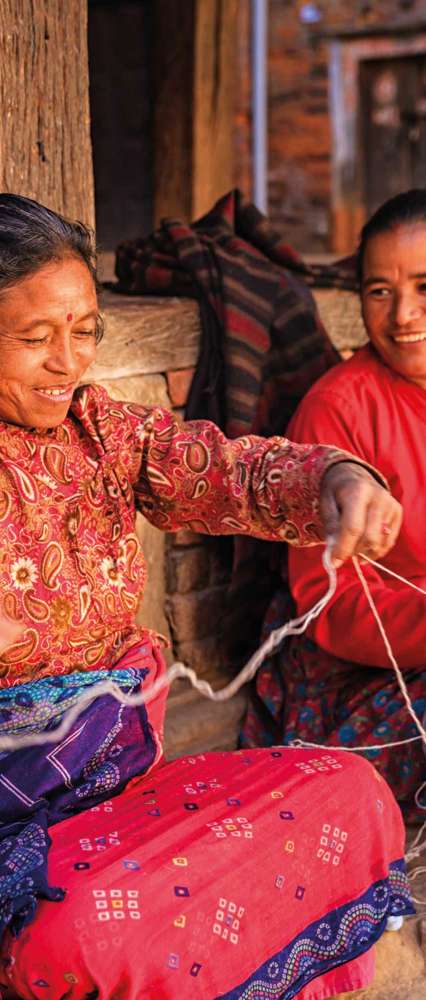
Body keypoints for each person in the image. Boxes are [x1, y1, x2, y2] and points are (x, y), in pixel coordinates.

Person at [0, 195, 412, 1000]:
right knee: (80, 930)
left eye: (84, 331)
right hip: (24, 846)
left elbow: (224, 469)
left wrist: (334, 477)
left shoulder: (97, 431)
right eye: (32, 338)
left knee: (349, 792)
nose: (68, 362)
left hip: (124, 803)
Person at [241, 189, 426, 823]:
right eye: (379, 290)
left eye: (425, 286)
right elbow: (334, 604)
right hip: (361, 666)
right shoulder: (337, 410)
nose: (403, 315)